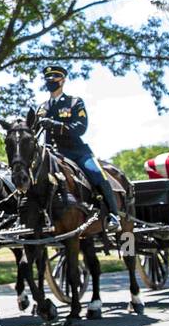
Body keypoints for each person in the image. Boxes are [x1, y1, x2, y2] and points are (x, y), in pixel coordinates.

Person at [37, 65, 122, 234]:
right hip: (52, 153)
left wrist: (57, 125)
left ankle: (113, 215)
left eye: (54, 78)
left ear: (62, 80)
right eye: (48, 79)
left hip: (76, 152)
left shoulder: (75, 102)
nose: (50, 82)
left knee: (97, 174)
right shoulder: (42, 107)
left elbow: (81, 127)